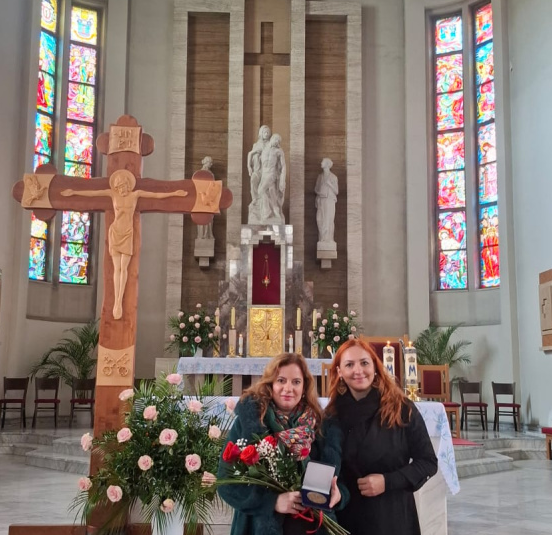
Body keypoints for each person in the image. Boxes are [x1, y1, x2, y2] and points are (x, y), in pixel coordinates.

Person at [217, 353, 347, 535]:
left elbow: (341, 480)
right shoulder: (251, 422)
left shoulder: (321, 425)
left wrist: (339, 494)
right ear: (271, 384)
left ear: (304, 387)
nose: (288, 388)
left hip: (311, 527)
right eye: (281, 380)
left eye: (296, 382)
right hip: (260, 528)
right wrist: (273, 502)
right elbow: (226, 483)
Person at [325, 339, 438, 535]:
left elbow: (428, 462)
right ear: (339, 372)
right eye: (349, 365)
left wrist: (388, 481)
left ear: (375, 367)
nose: (358, 370)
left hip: (391, 515)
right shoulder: (332, 415)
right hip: (348, 516)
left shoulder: (402, 409)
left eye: (364, 363)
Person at [61, 170, 187, 319]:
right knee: (117, 268)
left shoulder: (136, 194)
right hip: (115, 232)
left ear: (128, 185)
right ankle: (116, 303)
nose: (121, 190)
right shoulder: (112, 194)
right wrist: (73, 192)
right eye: (118, 187)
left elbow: (156, 195)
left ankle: (120, 300)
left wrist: (175, 193)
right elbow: (92, 193)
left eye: (122, 187)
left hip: (127, 233)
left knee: (124, 268)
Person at [314, 158, 338, 244]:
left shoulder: (333, 177)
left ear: (327, 164)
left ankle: (328, 239)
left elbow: (336, 191)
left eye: (323, 161)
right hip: (321, 199)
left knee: (328, 219)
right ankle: (322, 237)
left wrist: (330, 184)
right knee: (319, 219)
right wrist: (319, 193)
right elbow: (316, 189)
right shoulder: (320, 177)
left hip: (329, 200)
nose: (321, 163)